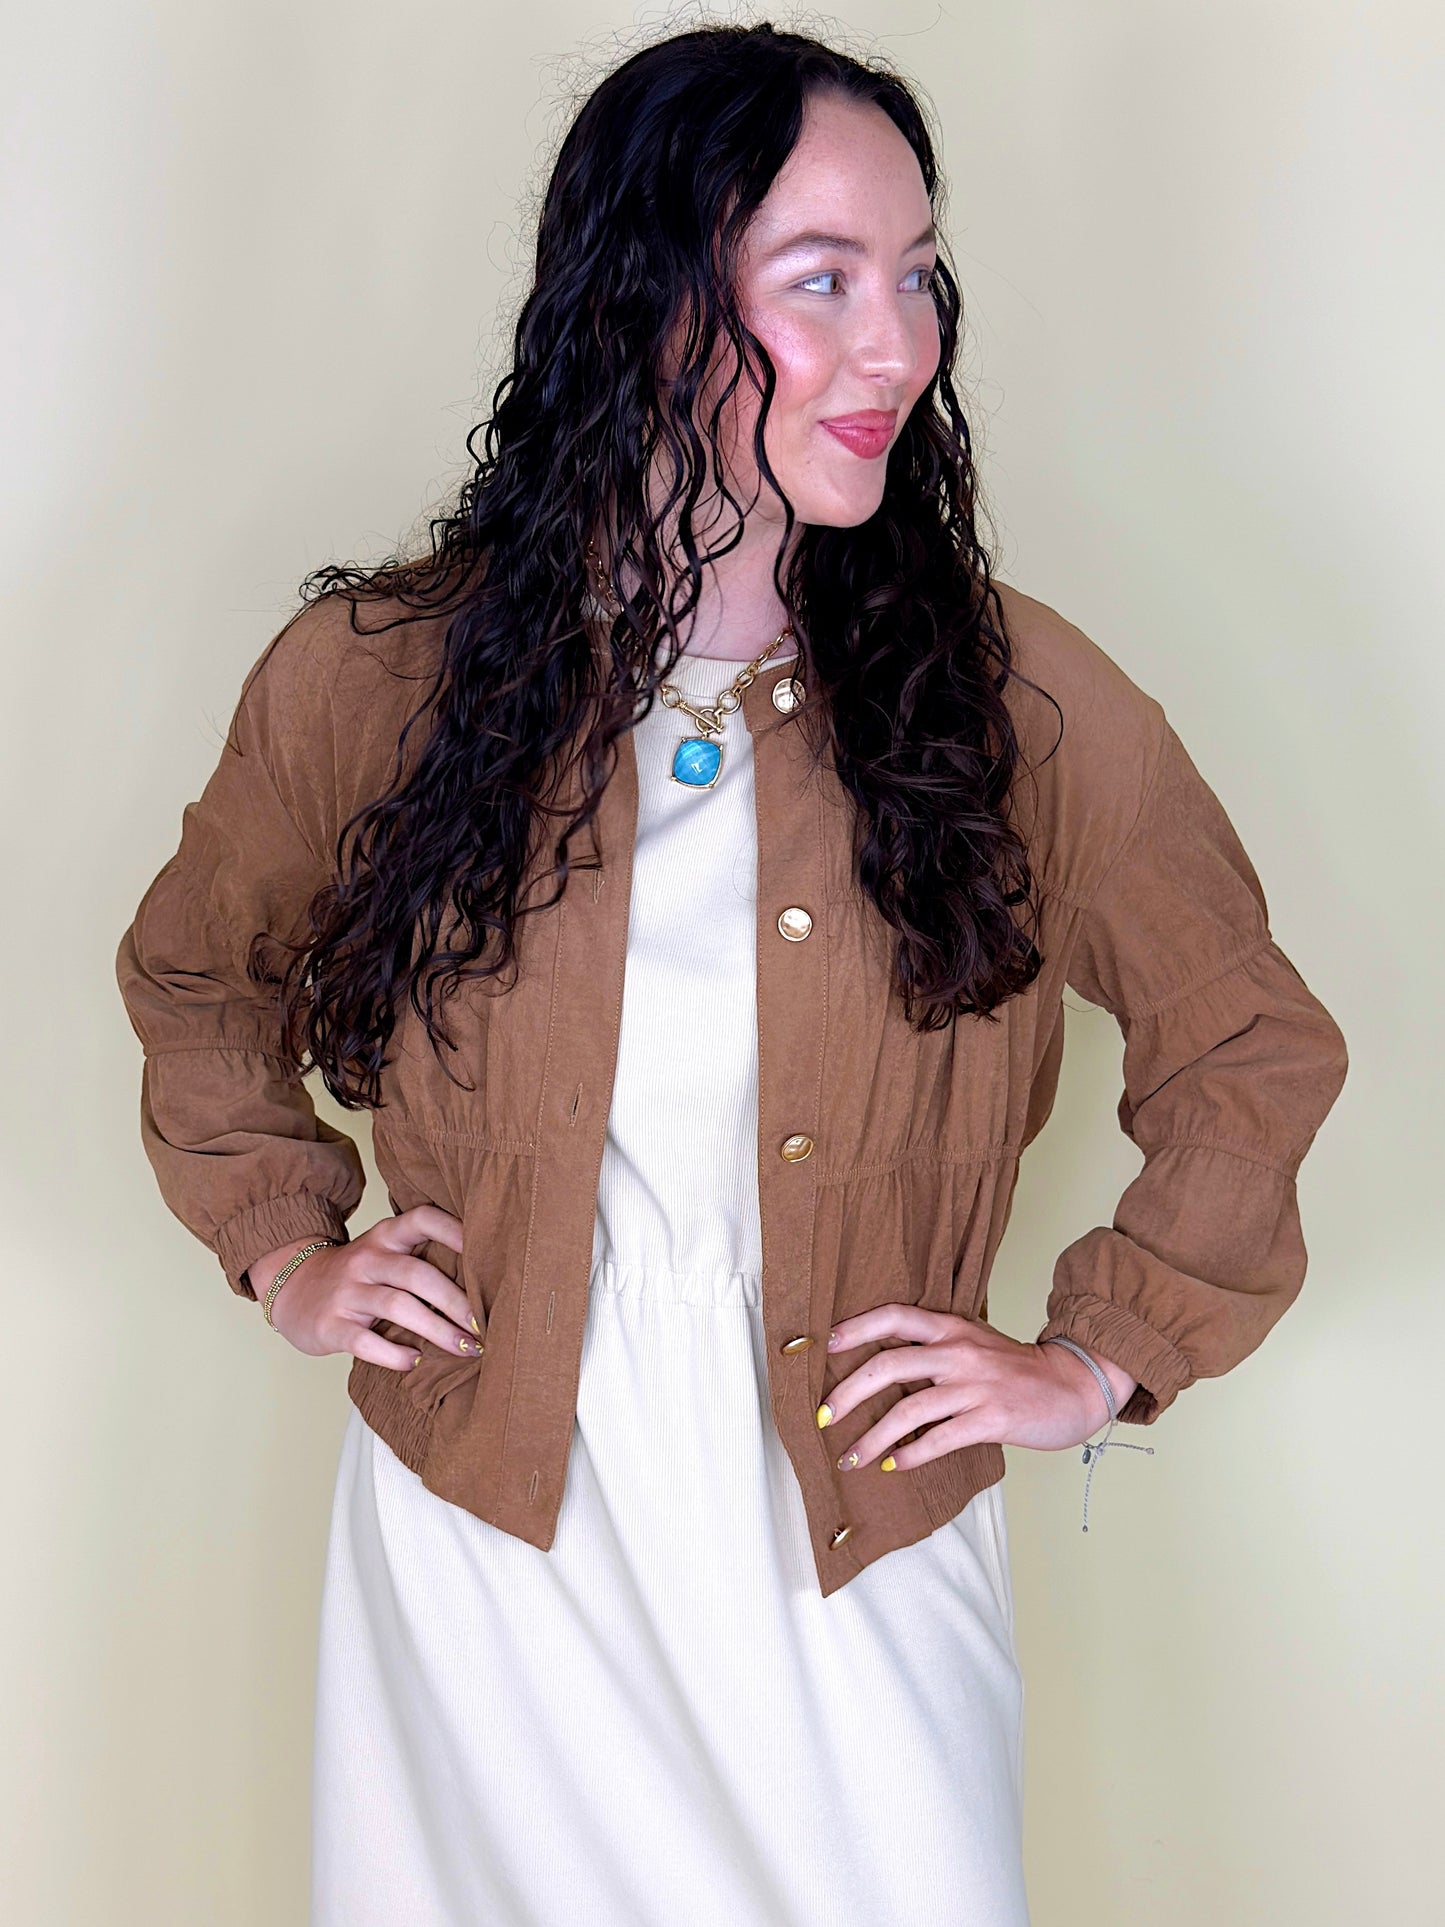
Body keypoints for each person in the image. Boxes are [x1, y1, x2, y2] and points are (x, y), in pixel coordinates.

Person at [115, 24, 1349, 1927]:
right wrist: (289, 1254)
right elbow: (199, 977)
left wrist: (1096, 1360)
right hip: (485, 1539)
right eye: (822, 281)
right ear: (647, 301)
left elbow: (1249, 1043)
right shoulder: (382, 680)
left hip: (846, 1546)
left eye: (917, 276)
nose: (898, 345)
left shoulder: (1012, 702)